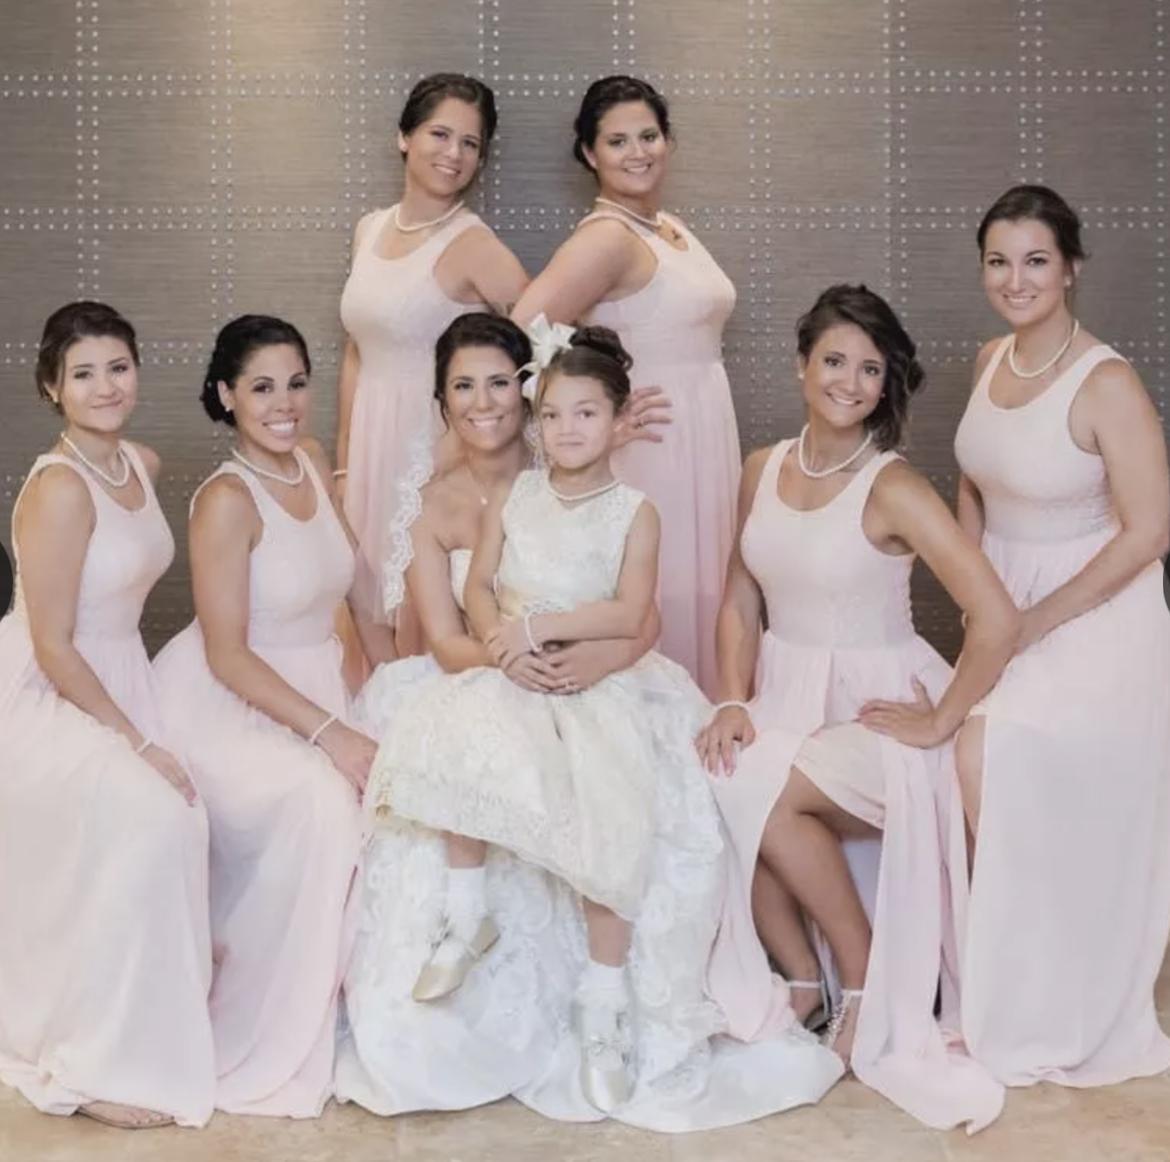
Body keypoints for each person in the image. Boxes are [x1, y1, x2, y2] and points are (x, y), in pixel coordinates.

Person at [358, 319, 842, 1130]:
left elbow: (636, 616)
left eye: (503, 385)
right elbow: (467, 611)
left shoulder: (619, 508)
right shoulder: (482, 502)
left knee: (615, 797)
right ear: (441, 402)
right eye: (464, 387)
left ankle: (607, 998)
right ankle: (466, 913)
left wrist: (571, 651)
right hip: (494, 669)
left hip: (594, 676)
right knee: (448, 744)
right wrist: (508, 653)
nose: (488, 403)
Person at [698, 285, 1015, 1131]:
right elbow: (739, 600)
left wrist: (940, 719)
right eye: (834, 361)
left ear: (886, 384)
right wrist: (731, 697)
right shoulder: (762, 469)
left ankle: (865, 977)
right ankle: (804, 982)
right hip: (783, 696)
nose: (849, 381)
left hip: (876, 711)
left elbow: (996, 616)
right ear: (802, 365)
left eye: (870, 369)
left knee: (769, 790)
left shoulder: (893, 485)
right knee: (720, 777)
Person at [951, 184, 1170, 1086]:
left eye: (1036, 260)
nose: (1016, 280)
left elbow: (1149, 533)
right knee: (954, 756)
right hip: (1002, 603)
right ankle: (1004, 973)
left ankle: (1052, 986)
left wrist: (1031, 621)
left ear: (1071, 268)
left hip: (1096, 613)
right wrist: (976, 593)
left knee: (985, 751)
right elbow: (972, 481)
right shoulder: (987, 359)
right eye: (999, 261)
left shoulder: (1106, 382)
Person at [153, 316, 377, 1117]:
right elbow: (227, 654)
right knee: (321, 801)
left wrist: (392, 676)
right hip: (229, 703)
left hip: (317, 683)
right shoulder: (225, 500)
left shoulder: (310, 459)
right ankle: (262, 1029)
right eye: (261, 387)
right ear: (225, 396)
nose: (284, 404)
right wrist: (332, 735)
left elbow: (354, 586)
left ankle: (352, 1010)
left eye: (296, 383)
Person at [0, 302, 215, 1129]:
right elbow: (53, 645)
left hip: (125, 674)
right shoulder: (60, 488)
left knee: (193, 814)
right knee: (148, 816)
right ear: (52, 388)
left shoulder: (139, 463)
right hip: (51, 690)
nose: (105, 386)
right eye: (83, 373)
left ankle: (158, 1023)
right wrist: (135, 742)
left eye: (118, 367)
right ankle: (91, 1060)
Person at [513, 75, 739, 694]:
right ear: (591, 154)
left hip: (704, 435)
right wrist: (588, 418)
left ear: (668, 141)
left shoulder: (666, 226)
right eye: (617, 141)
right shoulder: (607, 238)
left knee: (707, 578)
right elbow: (520, 339)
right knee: (668, 583)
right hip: (656, 447)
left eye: (649, 136)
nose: (638, 152)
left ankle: (705, 715)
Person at [336, 72, 529, 652]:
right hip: (370, 440)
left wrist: (473, 443)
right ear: (404, 137)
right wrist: (344, 462)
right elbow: (357, 348)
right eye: (440, 134)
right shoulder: (370, 229)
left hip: (433, 447)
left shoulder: (474, 244)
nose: (454, 154)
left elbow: (542, 349)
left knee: (422, 607)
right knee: (364, 596)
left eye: (470, 143)